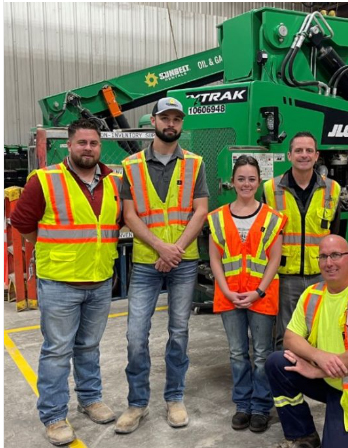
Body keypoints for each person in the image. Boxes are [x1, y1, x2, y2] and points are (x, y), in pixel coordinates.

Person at [11, 119, 122, 446]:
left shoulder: (114, 182)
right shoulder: (44, 181)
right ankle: (55, 416)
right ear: (69, 146)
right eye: (82, 143)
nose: (88, 148)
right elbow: (23, 225)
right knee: (57, 351)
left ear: (100, 147)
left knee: (89, 346)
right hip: (60, 282)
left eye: (94, 143)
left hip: (100, 279)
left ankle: (90, 400)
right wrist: (53, 251)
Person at [115, 97, 209, 434]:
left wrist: (177, 249)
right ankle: (137, 404)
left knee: (179, 332)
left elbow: (200, 211)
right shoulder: (132, 165)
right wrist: (160, 247)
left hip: (182, 261)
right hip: (145, 261)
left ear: (181, 125)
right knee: (135, 336)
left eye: (176, 119)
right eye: (165, 118)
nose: (171, 124)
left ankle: (175, 397)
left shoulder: (195, 164)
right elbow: (129, 214)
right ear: (152, 121)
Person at [265, 235, 348, 448]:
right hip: (330, 380)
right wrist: (317, 357)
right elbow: (290, 337)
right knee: (278, 363)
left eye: (336, 255)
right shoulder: (313, 294)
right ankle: (302, 435)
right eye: (323, 256)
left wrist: (319, 370)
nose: (329, 263)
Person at [208, 155, 286, 433]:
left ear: (259, 181)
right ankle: (242, 404)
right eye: (241, 178)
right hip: (228, 295)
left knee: (263, 353)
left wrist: (258, 291)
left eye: (252, 178)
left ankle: (261, 407)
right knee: (238, 352)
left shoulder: (273, 218)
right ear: (232, 181)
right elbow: (214, 258)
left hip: (260, 296)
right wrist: (227, 289)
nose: (246, 183)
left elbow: (275, 259)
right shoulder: (217, 218)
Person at [263, 132, 341, 350]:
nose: (304, 155)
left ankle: (313, 381)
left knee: (320, 334)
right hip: (286, 278)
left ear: (317, 156)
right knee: (286, 336)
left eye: (309, 151)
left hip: (321, 275)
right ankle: (286, 381)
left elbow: (334, 236)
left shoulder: (332, 190)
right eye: (298, 150)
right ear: (289, 155)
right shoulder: (271, 189)